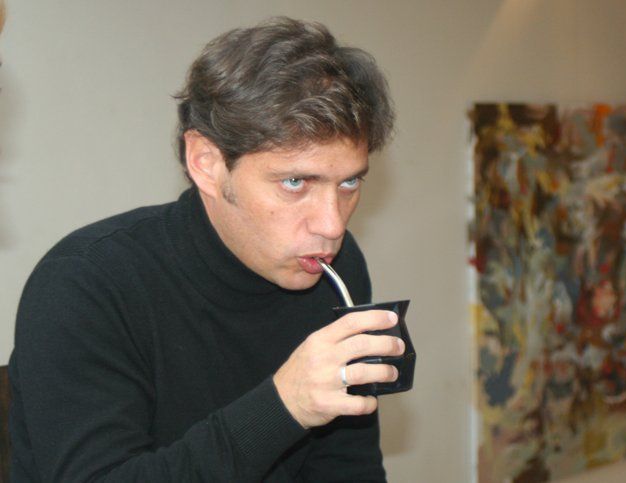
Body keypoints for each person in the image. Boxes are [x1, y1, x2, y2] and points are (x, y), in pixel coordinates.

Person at [9, 17, 402, 482]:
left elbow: (348, 469)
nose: (332, 225)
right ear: (207, 162)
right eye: (295, 182)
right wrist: (284, 406)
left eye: (349, 183)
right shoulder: (85, 284)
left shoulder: (338, 269)